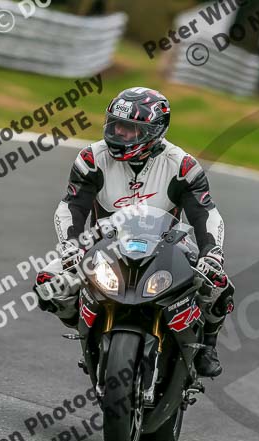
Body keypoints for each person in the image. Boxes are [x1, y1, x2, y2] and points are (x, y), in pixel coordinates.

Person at [34, 87, 232, 378]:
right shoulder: (92, 159)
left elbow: (206, 214)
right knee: (48, 285)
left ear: (156, 131)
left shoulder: (183, 165)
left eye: (131, 130)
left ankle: (207, 346)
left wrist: (211, 253)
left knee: (218, 284)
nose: (120, 134)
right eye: (116, 125)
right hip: (105, 246)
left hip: (169, 246)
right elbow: (71, 207)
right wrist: (70, 247)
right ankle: (88, 330)